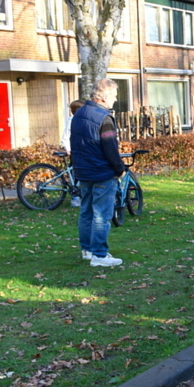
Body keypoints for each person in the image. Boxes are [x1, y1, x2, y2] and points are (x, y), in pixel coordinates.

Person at [70, 79, 125, 267]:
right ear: (104, 96)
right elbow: (110, 148)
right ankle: (99, 255)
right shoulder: (104, 118)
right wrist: (120, 169)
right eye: (114, 96)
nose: (115, 100)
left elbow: (75, 144)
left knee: (86, 212)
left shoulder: (79, 113)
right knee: (102, 214)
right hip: (102, 172)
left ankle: (87, 250)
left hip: (83, 171)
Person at [62, 99, 84, 207]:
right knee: (75, 174)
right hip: (74, 151)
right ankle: (75, 197)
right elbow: (66, 137)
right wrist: (68, 149)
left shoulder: (82, 120)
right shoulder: (71, 121)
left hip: (81, 150)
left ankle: (81, 195)